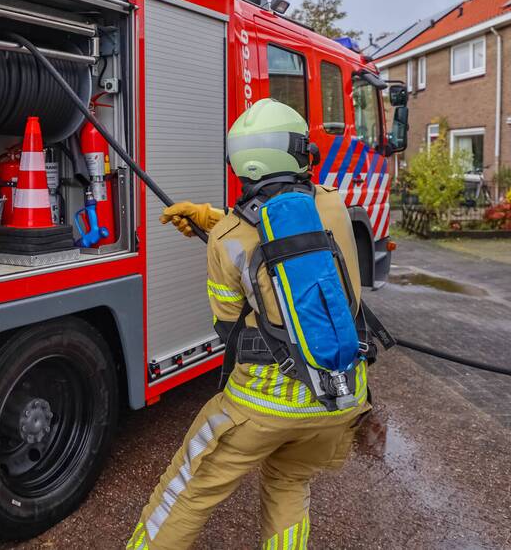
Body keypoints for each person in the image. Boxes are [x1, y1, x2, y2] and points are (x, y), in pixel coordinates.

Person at [126, 99, 370, 550]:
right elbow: (292, 223)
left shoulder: (225, 238)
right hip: (341, 397)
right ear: (300, 153)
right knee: (289, 483)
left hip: (262, 405)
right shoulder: (335, 204)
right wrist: (212, 215)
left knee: (186, 490)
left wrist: (218, 227)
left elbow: (228, 328)